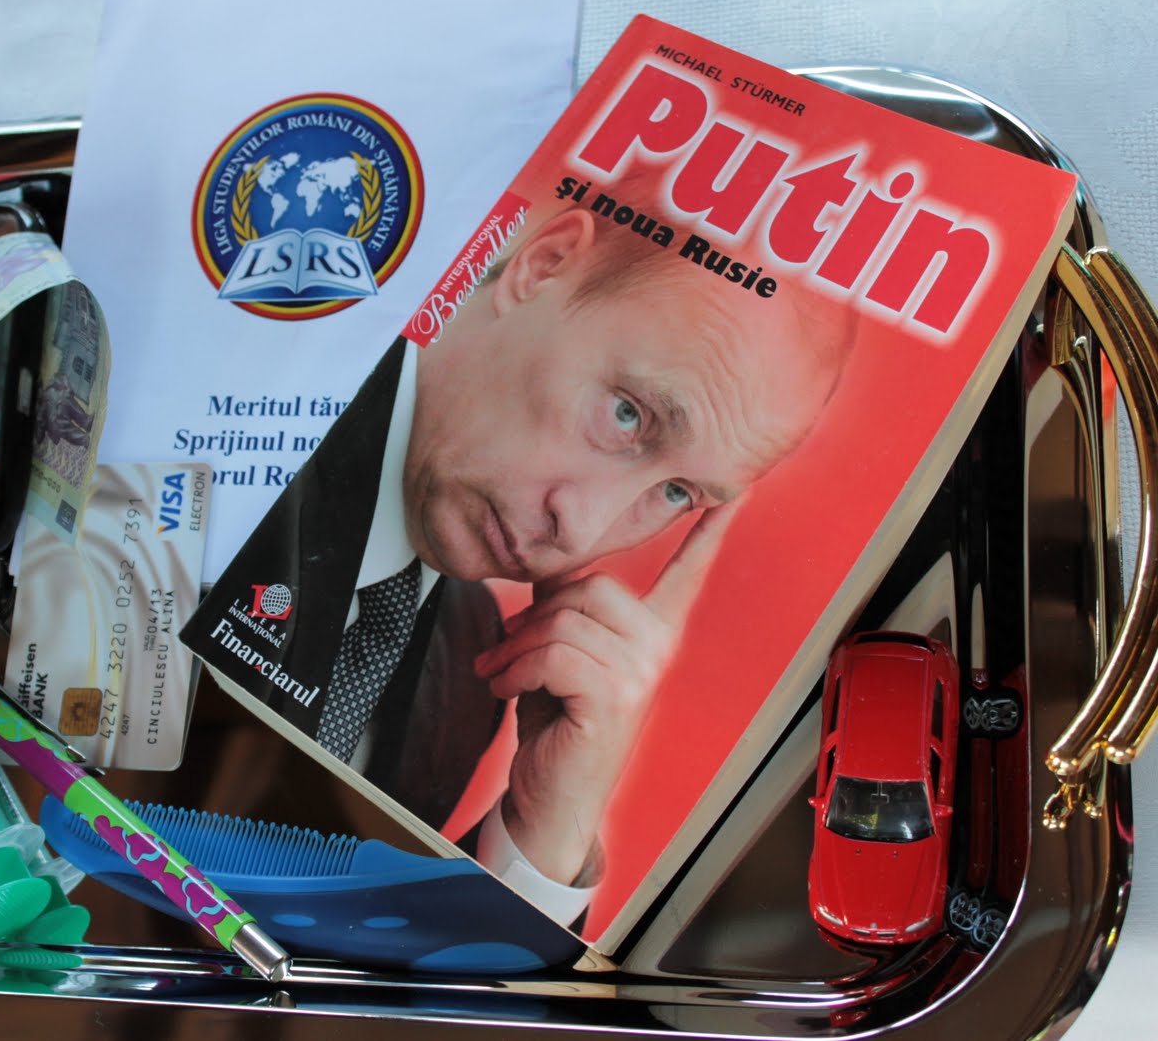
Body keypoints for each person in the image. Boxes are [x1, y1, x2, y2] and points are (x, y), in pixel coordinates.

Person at [192, 199, 855, 925]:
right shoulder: (231, 426)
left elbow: (352, 954)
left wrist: (542, 839)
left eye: (676, 493)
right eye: (627, 414)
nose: (583, 526)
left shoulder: (469, 669)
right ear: (541, 266)